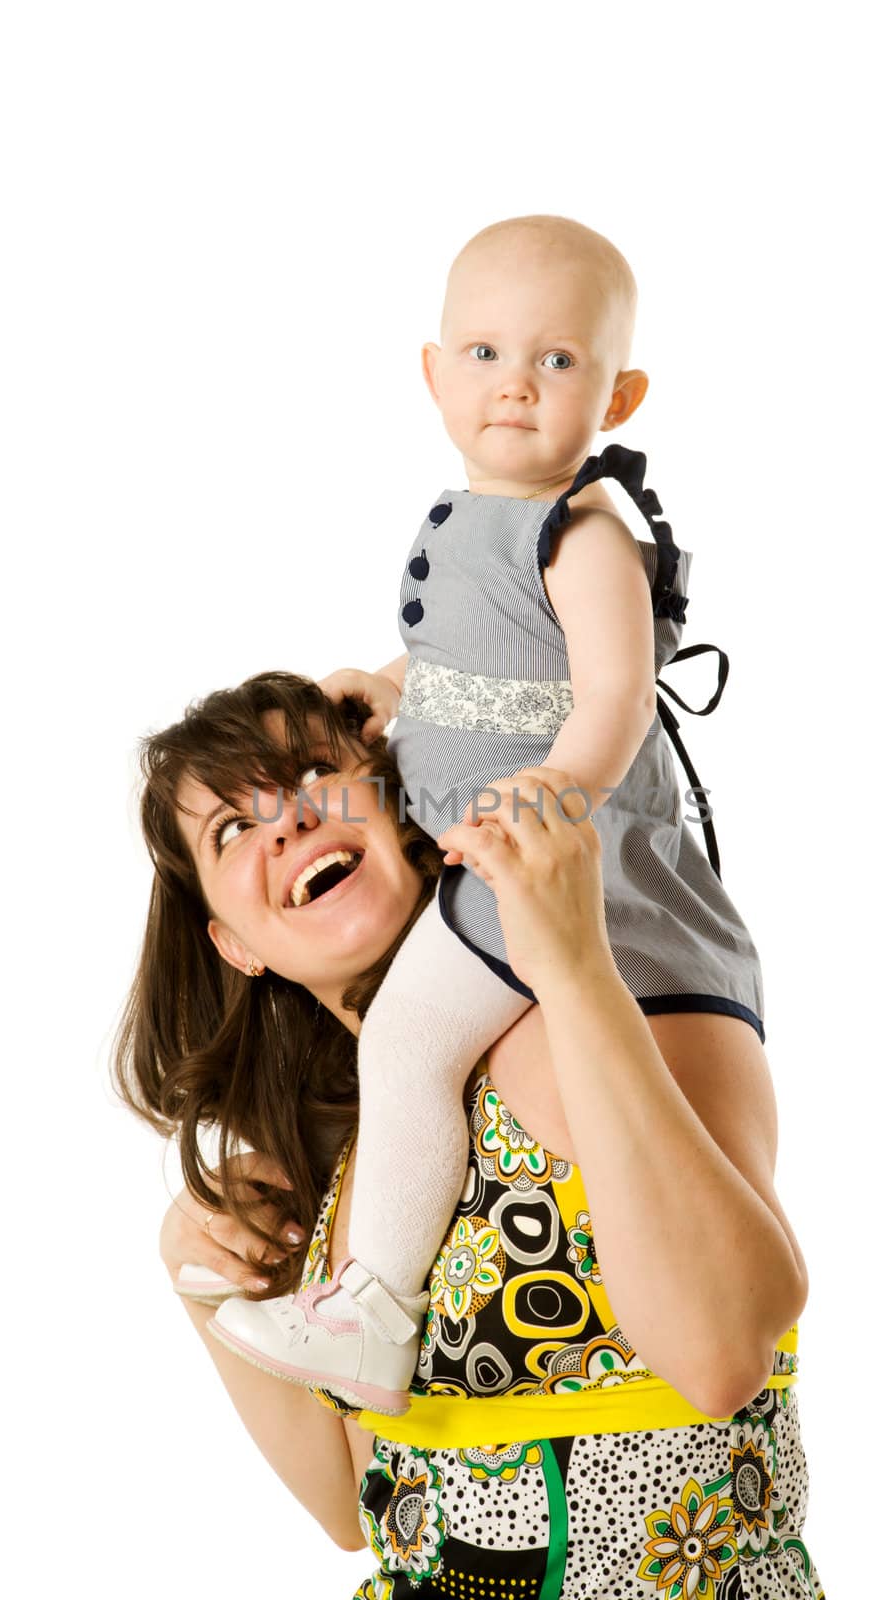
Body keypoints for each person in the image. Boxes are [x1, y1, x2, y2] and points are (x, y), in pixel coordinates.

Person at [208, 214, 768, 1417]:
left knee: (405, 1042)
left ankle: (370, 1310)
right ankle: (368, 1305)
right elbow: (479, 664)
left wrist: (551, 793)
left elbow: (611, 700)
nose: (513, 382)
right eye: (481, 354)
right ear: (430, 375)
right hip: (498, 857)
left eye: (555, 360)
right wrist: (389, 684)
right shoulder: (463, 522)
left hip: (557, 860)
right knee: (408, 1045)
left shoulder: (582, 534)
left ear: (617, 393)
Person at [114, 671, 825, 1597]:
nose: (283, 823)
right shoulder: (369, 1166)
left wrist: (573, 973)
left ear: (396, 803)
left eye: (310, 774)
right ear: (233, 944)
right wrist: (203, 1284)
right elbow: (353, 1505)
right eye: (233, 829)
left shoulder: (582, 1019)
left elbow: (726, 1358)